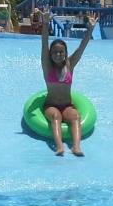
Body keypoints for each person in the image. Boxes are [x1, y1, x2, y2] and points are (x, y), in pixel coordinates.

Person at [40, 9, 95, 156]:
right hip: (51, 105)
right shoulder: (47, 66)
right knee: (55, 117)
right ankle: (59, 147)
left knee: (75, 116)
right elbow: (44, 44)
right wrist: (45, 23)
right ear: (50, 54)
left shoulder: (70, 64)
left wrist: (90, 29)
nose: (58, 55)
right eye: (55, 52)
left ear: (65, 53)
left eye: (61, 52)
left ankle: (76, 147)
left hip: (67, 105)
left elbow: (81, 48)